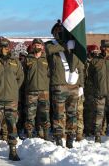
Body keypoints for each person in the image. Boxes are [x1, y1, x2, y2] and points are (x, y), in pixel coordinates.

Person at [45, 20, 84, 148]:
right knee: (58, 113)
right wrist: (66, 45)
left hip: (74, 85)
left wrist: (81, 85)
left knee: (72, 114)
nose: (60, 33)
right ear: (53, 33)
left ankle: (70, 138)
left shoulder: (75, 46)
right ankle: (58, 137)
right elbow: (49, 50)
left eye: (63, 31)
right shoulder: (50, 44)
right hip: (59, 85)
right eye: (58, 32)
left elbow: (80, 66)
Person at [0, 38, 23, 161]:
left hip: (11, 100)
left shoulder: (15, 62)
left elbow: (20, 78)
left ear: (9, 47)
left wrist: (13, 89)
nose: (3, 49)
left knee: (12, 126)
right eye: (1, 47)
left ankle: (13, 151)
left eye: (6, 47)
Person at [88, 40, 109, 142]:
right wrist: (97, 86)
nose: (106, 49)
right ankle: (97, 135)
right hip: (99, 93)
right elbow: (90, 76)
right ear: (101, 48)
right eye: (103, 47)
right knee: (98, 115)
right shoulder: (95, 61)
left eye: (107, 47)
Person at [23, 38, 51, 140]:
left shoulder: (47, 59)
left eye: (39, 45)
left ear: (42, 47)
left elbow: (50, 74)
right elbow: (23, 75)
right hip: (31, 91)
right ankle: (29, 136)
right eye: (35, 45)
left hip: (44, 91)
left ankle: (46, 135)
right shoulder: (27, 59)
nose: (36, 47)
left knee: (45, 114)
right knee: (30, 115)